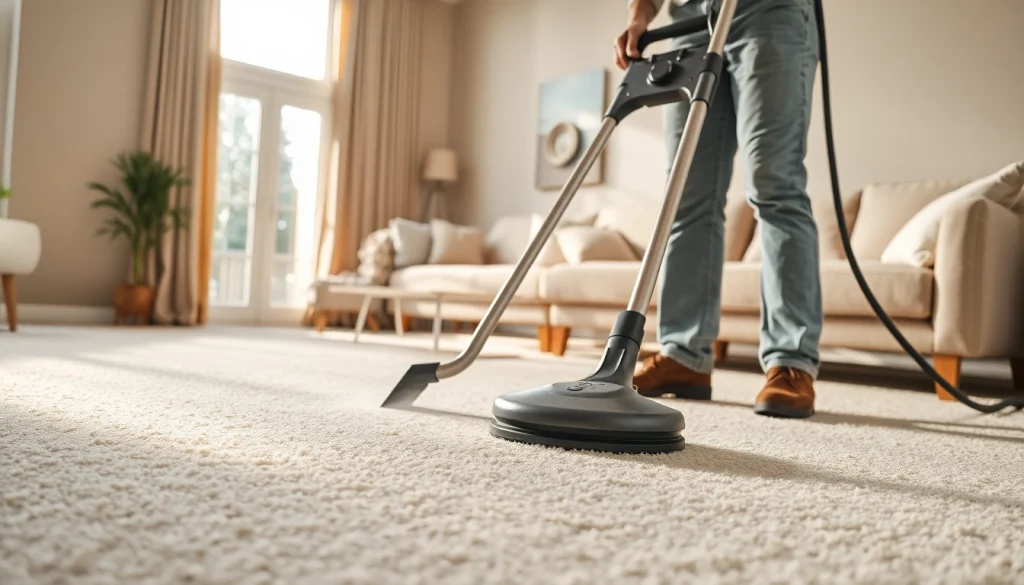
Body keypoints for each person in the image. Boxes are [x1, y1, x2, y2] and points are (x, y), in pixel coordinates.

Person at [614, 0, 822, 418]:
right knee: (685, 196)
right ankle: (684, 355)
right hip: (690, 22)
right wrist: (639, 16)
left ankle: (791, 361)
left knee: (774, 185)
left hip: (769, 12)